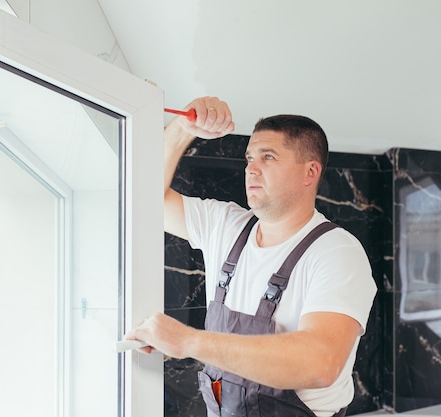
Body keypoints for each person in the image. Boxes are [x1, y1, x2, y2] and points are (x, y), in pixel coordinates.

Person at [125, 96, 377, 417]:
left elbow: (321, 363)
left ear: (309, 172)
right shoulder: (225, 226)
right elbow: (147, 200)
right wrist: (181, 129)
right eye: (249, 158)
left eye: (268, 157)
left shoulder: (336, 252)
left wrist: (187, 341)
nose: (251, 169)